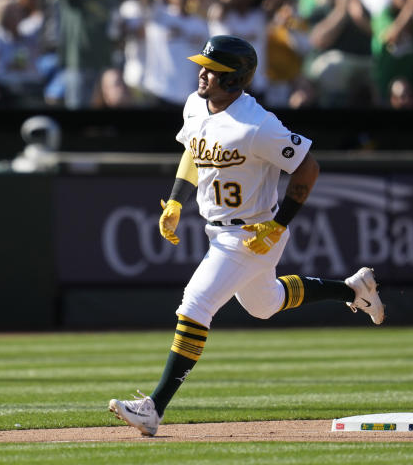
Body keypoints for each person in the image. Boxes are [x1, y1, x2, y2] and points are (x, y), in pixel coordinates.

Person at [107, 35, 385, 437]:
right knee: (264, 304)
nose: (203, 73)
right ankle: (353, 290)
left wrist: (278, 225)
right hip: (218, 230)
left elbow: (308, 169)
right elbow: (192, 148)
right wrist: (175, 202)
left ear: (235, 79)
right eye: (204, 65)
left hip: (251, 233)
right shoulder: (195, 105)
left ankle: (154, 407)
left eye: (213, 69)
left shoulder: (258, 124)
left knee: (196, 304)